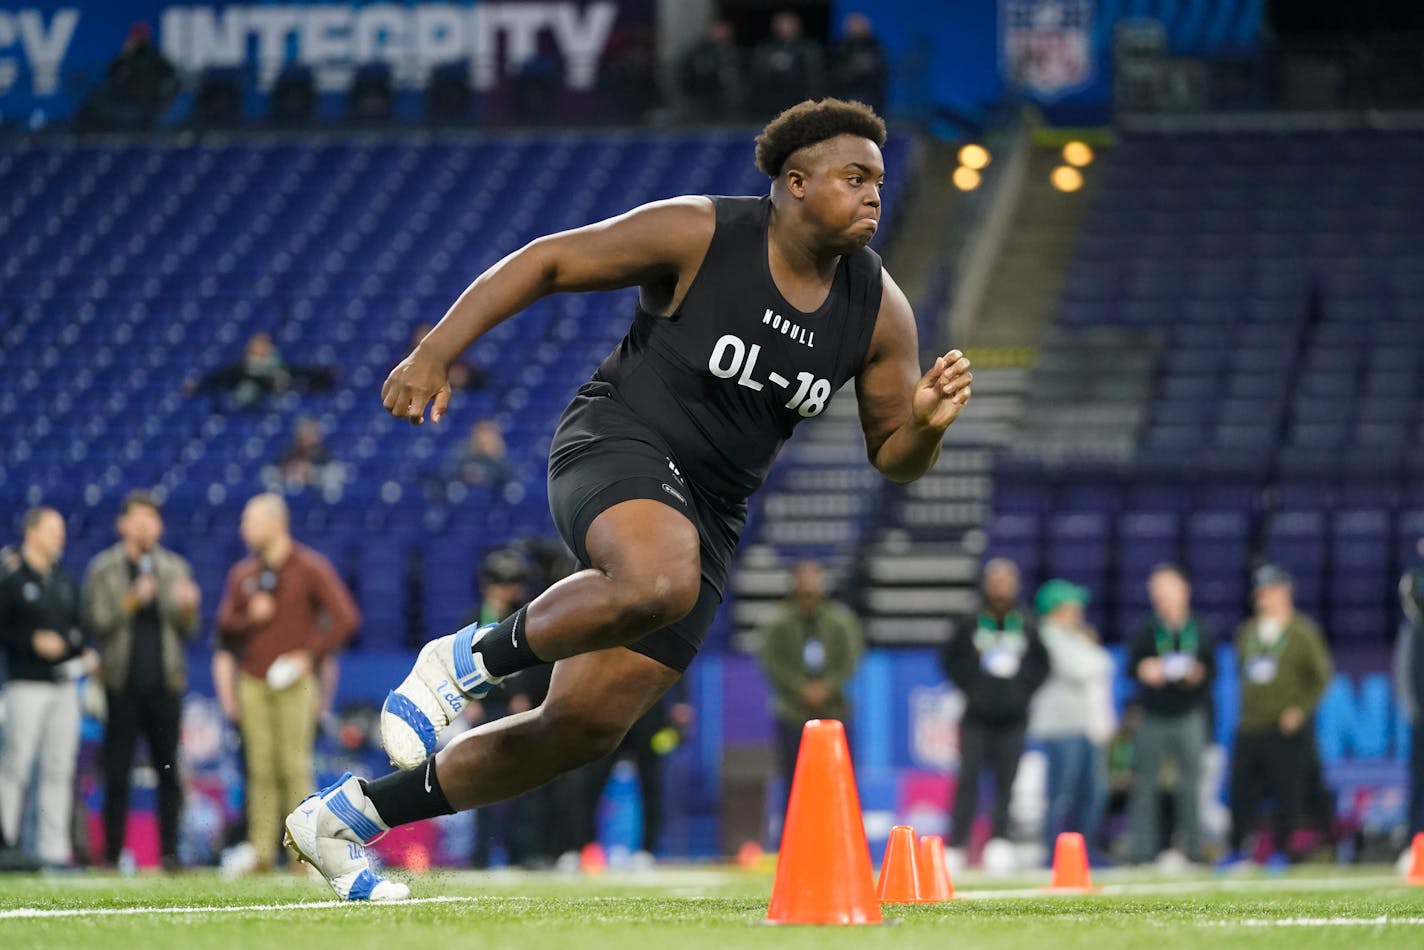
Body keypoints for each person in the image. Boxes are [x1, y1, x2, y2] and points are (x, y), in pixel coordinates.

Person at [282, 98, 973, 902]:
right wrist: (436, 349)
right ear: (793, 183)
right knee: (658, 578)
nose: (873, 195)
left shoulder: (879, 308)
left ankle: (346, 818)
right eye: (854, 178)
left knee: (580, 728)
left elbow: (894, 457)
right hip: (616, 440)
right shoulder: (701, 232)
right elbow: (548, 262)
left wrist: (924, 426)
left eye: (879, 181)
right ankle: (461, 662)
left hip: (711, 511)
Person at [217, 494, 359, 872]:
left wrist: (308, 654)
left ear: (274, 523)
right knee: (259, 768)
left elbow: (345, 617)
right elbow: (224, 627)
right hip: (253, 679)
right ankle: (260, 852)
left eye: (249, 520)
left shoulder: (309, 567)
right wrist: (250, 617)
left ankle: (303, 852)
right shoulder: (243, 574)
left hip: (295, 682)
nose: (243, 528)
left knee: (295, 765)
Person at [82, 490, 201, 870]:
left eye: (151, 519)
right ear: (123, 524)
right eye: (137, 518)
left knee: (169, 771)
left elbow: (189, 629)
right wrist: (132, 600)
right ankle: (113, 854)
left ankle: (170, 853)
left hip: (164, 684)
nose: (145, 526)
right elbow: (96, 623)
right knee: (116, 772)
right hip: (120, 685)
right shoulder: (104, 569)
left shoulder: (175, 568)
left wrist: (186, 606)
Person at [941, 559, 1049, 872]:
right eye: (996, 580)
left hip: (1013, 718)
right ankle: (957, 844)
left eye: (1007, 580)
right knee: (968, 779)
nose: (1001, 586)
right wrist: (971, 684)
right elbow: (949, 660)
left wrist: (1023, 688)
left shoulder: (1027, 621)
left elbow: (1043, 664)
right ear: (987, 583)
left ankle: (999, 840)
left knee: (1007, 781)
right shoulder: (971, 620)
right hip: (976, 715)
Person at [0, 508, 94, 868]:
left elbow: (78, 631)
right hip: (25, 682)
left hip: (63, 684)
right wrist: (30, 641)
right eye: (53, 529)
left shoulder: (65, 581)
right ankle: (6, 841)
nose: (61, 536)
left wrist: (76, 651)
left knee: (58, 769)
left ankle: (53, 850)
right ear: (31, 532)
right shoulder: (10, 578)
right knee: (15, 767)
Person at [1223, 564, 1333, 867]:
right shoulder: (1247, 631)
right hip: (1250, 724)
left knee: (1289, 792)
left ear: (1285, 592)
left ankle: (1284, 851)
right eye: (1260, 591)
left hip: (1284, 727)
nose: (1264, 597)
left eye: (1270, 590)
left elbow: (1321, 676)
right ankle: (1237, 849)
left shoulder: (1302, 632)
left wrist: (1299, 709)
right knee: (1241, 790)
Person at [1126, 564, 1214, 866]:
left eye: (1167, 590)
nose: (1161, 597)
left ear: (1183, 591)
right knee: (1144, 784)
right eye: (1157, 592)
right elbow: (1131, 667)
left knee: (1190, 785)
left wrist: (1197, 675)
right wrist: (1144, 670)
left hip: (1189, 713)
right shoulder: (1146, 630)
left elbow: (1212, 670)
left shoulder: (1200, 629)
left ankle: (1193, 848)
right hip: (1153, 715)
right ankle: (1141, 850)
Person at [757, 560, 864, 792]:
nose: (809, 585)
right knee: (794, 783)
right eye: (804, 578)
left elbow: (851, 657)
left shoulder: (840, 621)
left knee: (840, 782)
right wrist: (800, 687)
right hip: (792, 712)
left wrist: (827, 686)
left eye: (814, 578)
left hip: (834, 711)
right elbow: (772, 661)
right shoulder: (778, 623)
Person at [1029, 580, 1115, 862]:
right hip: (1060, 727)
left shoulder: (1074, 637)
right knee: (1061, 794)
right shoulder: (1048, 636)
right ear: (1057, 608)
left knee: (1092, 793)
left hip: (1085, 726)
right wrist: (1094, 656)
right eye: (1072, 606)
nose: (1078, 612)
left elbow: (1101, 664)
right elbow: (1082, 669)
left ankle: (1083, 852)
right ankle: (1052, 853)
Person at [187, 331, 334, 409]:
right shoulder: (242, 367)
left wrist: (324, 373)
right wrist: (198, 386)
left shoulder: (276, 365)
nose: (262, 348)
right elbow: (218, 378)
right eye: (258, 344)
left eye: (264, 344)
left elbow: (299, 371)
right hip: (249, 406)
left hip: (276, 404)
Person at [76, 23, 179, 131]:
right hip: (125, 98)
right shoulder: (128, 55)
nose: (136, 39)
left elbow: (172, 75)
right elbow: (110, 74)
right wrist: (124, 55)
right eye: (135, 36)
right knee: (95, 99)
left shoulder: (154, 57)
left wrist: (165, 99)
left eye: (139, 37)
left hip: (144, 101)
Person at [1396, 559, 1424, 865]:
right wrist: (1414, 710)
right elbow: (1405, 674)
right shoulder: (1415, 629)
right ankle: (1417, 845)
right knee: (1419, 785)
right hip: (1423, 718)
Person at [751, 12, 825, 117]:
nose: (785, 28)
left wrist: (813, 96)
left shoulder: (807, 47)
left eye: (789, 24)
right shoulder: (767, 47)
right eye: (782, 24)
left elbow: (814, 74)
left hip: (799, 95)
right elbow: (758, 71)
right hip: (772, 97)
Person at [678, 19, 745, 120]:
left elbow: (740, 73)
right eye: (718, 30)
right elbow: (688, 73)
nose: (721, 33)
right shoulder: (699, 51)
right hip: (702, 96)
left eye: (725, 30)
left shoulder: (732, 51)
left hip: (726, 98)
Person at [830, 13, 888, 114]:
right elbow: (832, 74)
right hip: (845, 98)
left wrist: (869, 67)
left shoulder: (876, 48)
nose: (857, 29)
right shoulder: (839, 48)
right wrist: (852, 69)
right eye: (854, 26)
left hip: (872, 99)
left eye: (861, 25)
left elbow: (883, 73)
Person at [274, 418, 343, 492]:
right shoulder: (289, 452)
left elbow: (335, 476)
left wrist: (312, 474)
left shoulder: (325, 455)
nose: (312, 438)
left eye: (314, 433)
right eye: (307, 433)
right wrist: (292, 471)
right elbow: (276, 474)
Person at [444, 419, 513, 488]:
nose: (486, 439)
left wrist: (497, 456)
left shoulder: (500, 459)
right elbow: (449, 474)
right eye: (483, 433)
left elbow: (508, 479)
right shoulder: (462, 453)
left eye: (490, 434)